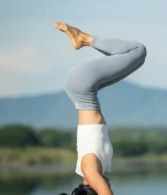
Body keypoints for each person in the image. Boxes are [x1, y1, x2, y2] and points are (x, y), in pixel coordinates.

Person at [54, 21, 147, 195]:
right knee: (138, 61)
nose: (110, 187)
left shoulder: (89, 170)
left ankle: (83, 38)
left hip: (81, 85)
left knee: (138, 51)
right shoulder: (94, 169)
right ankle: (83, 39)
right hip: (86, 90)